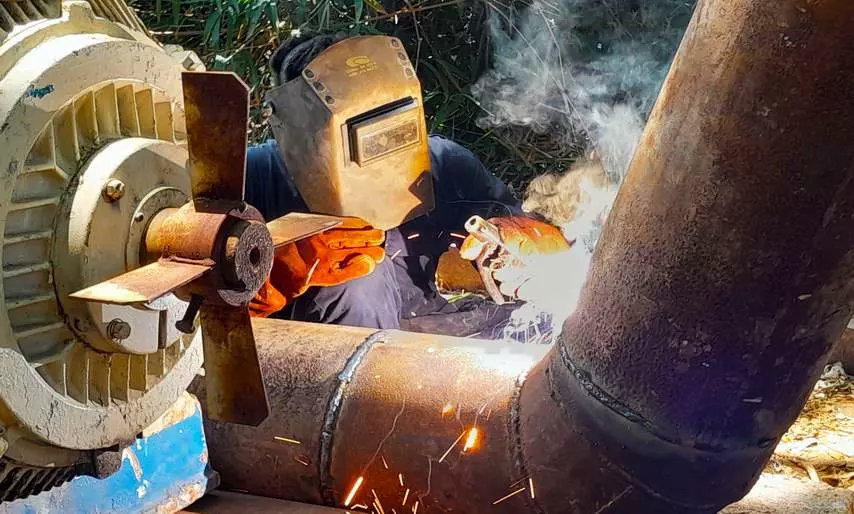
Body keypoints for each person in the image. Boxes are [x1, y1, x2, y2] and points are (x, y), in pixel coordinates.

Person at [245, 31, 570, 331]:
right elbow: (207, 311)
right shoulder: (255, 176)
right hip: (339, 363)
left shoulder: (444, 163)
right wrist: (267, 279)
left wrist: (522, 244)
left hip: (446, 339)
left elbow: (546, 247)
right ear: (299, 130)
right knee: (353, 279)